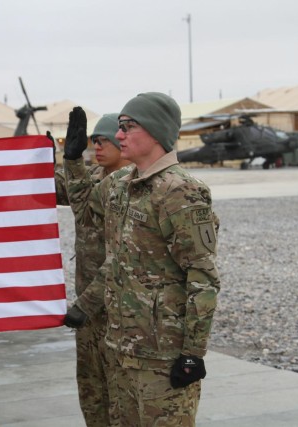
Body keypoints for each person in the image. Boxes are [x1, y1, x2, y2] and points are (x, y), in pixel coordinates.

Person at [63, 93, 220, 426]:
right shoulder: (120, 184)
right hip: (120, 348)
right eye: (119, 127)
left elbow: (202, 277)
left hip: (161, 357)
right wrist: (73, 160)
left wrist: (193, 353)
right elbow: (86, 213)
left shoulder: (181, 191)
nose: (119, 135)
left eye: (128, 126)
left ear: (156, 131)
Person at [54, 112, 131, 426]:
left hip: (116, 305)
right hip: (89, 307)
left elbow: (124, 256)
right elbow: (60, 188)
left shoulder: (132, 184)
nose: (97, 147)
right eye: (94, 141)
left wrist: (85, 303)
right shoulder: (96, 176)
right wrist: (54, 155)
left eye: (105, 140)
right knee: (91, 387)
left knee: (120, 390)